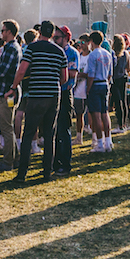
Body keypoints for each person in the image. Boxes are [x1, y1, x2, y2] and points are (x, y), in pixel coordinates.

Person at [6, 21, 66, 183]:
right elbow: (64, 77)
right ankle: (47, 172)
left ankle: (22, 174)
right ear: (53, 34)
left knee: (28, 134)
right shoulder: (60, 51)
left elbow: (22, 70)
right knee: (49, 135)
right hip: (54, 95)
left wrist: (13, 87)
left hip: (36, 95)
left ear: (39, 32)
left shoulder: (31, 48)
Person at [0, 20, 21, 173]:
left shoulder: (10, 48)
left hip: (6, 92)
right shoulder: (14, 47)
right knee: (8, 127)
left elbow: (2, 71)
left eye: (3, 30)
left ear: (9, 31)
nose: (1, 33)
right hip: (10, 91)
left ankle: (8, 162)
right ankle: (15, 158)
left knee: (6, 128)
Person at [51, 25, 77, 175]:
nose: (55, 40)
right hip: (55, 93)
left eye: (57, 38)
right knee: (54, 129)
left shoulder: (72, 53)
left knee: (64, 129)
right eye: (54, 37)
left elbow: (73, 73)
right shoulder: (55, 51)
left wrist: (59, 72)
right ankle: (55, 161)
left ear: (66, 38)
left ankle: (65, 163)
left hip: (65, 93)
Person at [83, 31, 113, 152]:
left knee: (95, 115)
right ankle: (108, 141)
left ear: (91, 41)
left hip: (95, 84)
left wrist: (88, 89)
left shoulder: (93, 55)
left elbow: (91, 74)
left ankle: (99, 144)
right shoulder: (107, 54)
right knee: (105, 114)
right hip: (105, 83)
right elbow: (110, 73)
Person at [111, 35, 130, 133]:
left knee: (117, 102)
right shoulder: (126, 53)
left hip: (115, 79)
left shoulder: (113, 54)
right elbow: (128, 67)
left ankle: (120, 125)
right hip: (123, 78)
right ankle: (124, 124)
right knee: (124, 102)